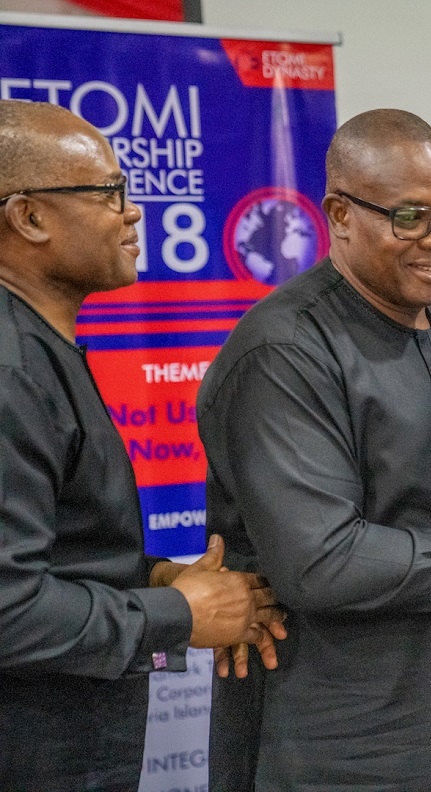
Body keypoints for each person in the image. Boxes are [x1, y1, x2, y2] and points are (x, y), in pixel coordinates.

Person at [197, 108, 431, 792]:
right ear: (340, 215)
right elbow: (323, 562)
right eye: (411, 217)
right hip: (340, 742)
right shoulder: (282, 354)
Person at [0, 100, 284, 791]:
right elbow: (8, 607)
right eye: (108, 193)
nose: (133, 213)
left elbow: (63, 550)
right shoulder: (10, 370)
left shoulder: (43, 347)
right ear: (29, 217)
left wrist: (158, 577)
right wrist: (181, 615)